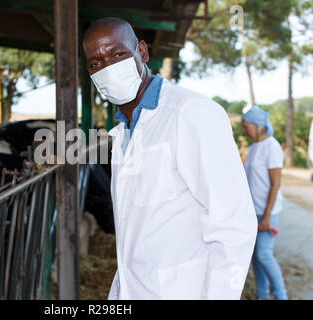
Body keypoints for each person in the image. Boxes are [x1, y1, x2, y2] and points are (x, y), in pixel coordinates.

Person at [83, 17, 258, 300]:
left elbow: (234, 226)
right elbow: (133, 236)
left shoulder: (193, 112)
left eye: (117, 54)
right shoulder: (122, 134)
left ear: (142, 52)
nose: (108, 68)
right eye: (95, 63)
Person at [242, 105, 288, 300]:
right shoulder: (252, 149)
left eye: (246, 126)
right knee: (255, 259)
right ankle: (262, 295)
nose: (245, 130)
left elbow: (275, 183)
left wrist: (268, 216)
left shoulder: (272, 146)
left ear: (258, 125)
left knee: (264, 254)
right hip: (253, 212)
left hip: (268, 211)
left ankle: (280, 295)